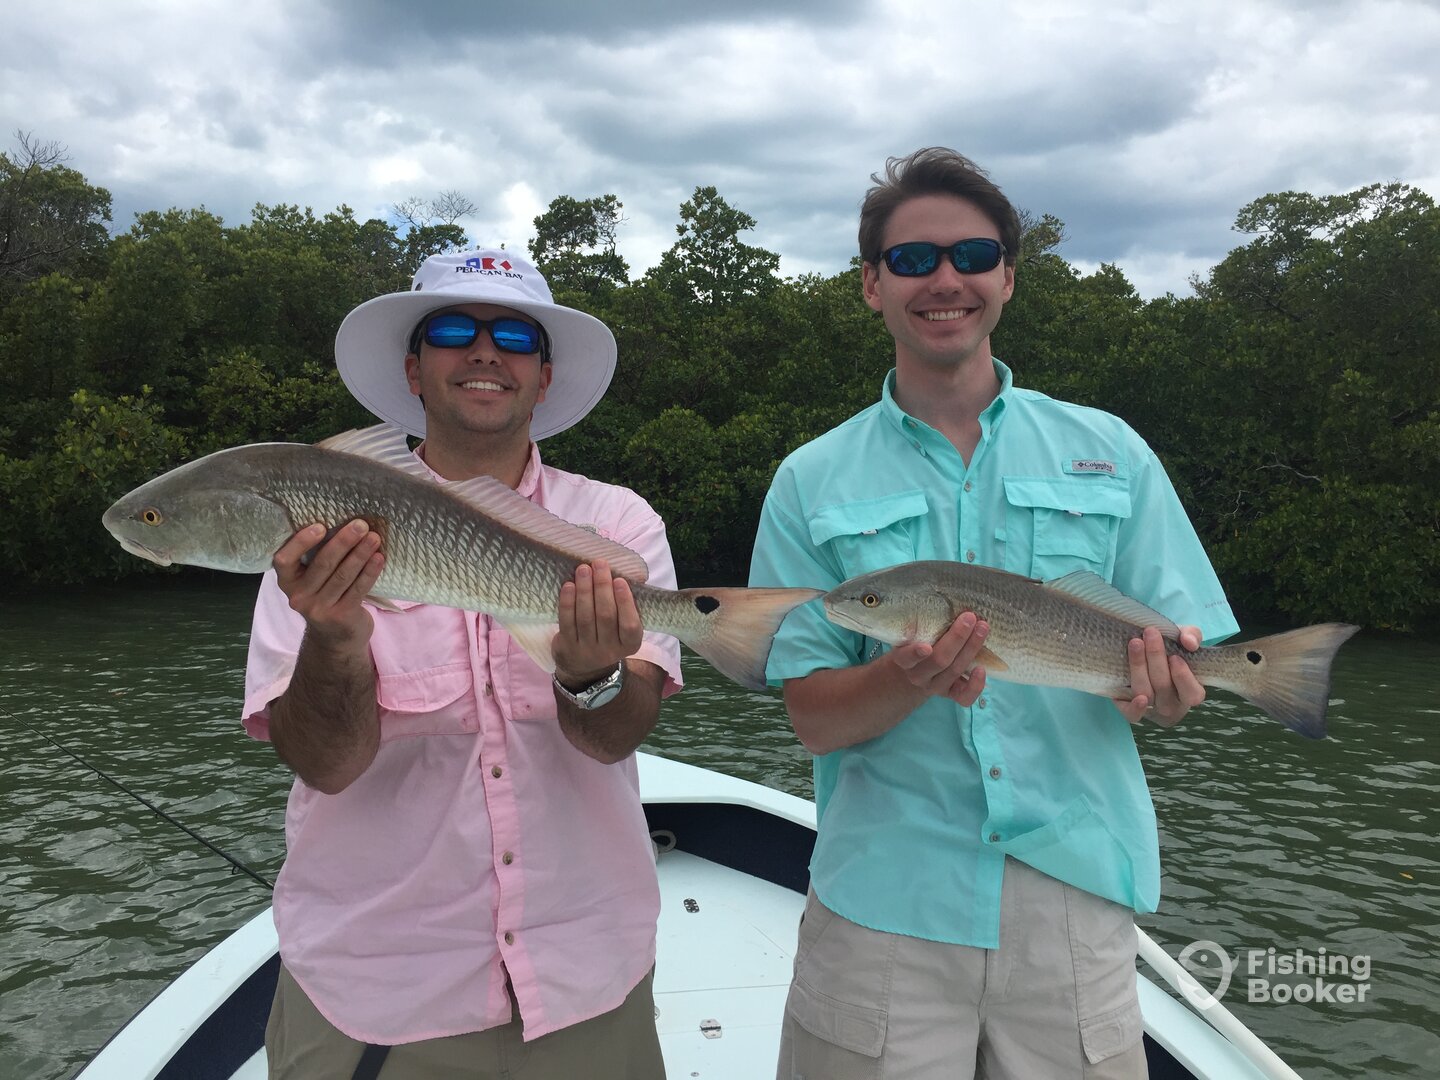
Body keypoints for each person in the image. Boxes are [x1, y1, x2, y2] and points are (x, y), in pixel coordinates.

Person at [749, 148, 1241, 1079]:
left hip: (1076, 897)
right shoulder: (809, 480)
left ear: (1008, 277)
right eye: (911, 260)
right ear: (870, 285)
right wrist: (904, 676)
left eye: (972, 255)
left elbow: (1178, 686)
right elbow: (811, 717)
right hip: (883, 904)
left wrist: (1166, 693)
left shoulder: (1112, 451)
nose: (945, 279)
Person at [242, 250, 679, 1079]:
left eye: (514, 334)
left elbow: (618, 734)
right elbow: (325, 765)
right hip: (374, 991)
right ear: (413, 368)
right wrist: (336, 639)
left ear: (543, 376)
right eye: (451, 331)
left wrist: (592, 677)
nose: (484, 351)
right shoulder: (314, 531)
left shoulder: (615, 525)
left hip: (587, 981)